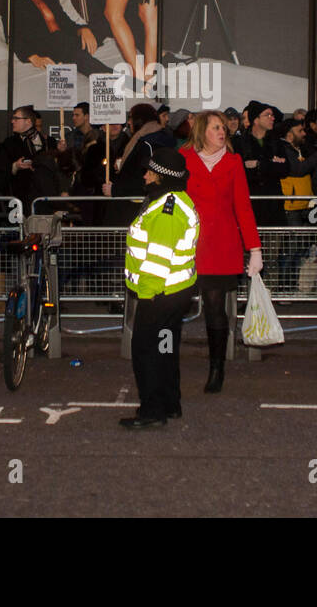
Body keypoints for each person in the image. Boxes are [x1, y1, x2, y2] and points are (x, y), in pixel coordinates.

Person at [182, 111, 262, 393]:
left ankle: (217, 368)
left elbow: (243, 206)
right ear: (202, 130)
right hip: (187, 245)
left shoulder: (233, 162)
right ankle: (163, 361)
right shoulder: (184, 159)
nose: (222, 131)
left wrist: (254, 249)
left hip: (221, 247)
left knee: (215, 310)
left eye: (223, 127)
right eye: (216, 127)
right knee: (172, 306)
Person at [120, 147, 198, 429]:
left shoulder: (167, 210)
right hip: (176, 293)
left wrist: (146, 296)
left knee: (145, 350)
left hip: (158, 294)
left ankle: (152, 410)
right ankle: (170, 402)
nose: (145, 175)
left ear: (162, 178)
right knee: (166, 346)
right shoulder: (175, 200)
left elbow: (157, 260)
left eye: (150, 172)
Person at [13, 0, 112, 76]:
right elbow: (13, 34)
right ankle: (119, 79)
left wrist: (82, 29)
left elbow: (65, 22)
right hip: (47, 46)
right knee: (79, 57)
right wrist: (32, 57)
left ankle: (79, 52)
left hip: (66, 39)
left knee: (104, 25)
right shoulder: (14, 0)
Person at [0, 105, 64, 211]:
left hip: (45, 199)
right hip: (21, 199)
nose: (12, 121)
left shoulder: (49, 141)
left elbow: (58, 169)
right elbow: (1, 169)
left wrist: (62, 153)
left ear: (28, 121)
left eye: (16, 119)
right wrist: (16, 166)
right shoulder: (9, 143)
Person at [234, 101, 289, 225]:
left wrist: (259, 165)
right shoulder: (239, 142)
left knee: (274, 241)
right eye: (267, 115)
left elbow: (285, 169)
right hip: (250, 204)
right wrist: (272, 165)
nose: (272, 118)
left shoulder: (276, 142)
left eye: (272, 115)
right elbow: (240, 170)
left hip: (273, 205)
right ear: (256, 119)